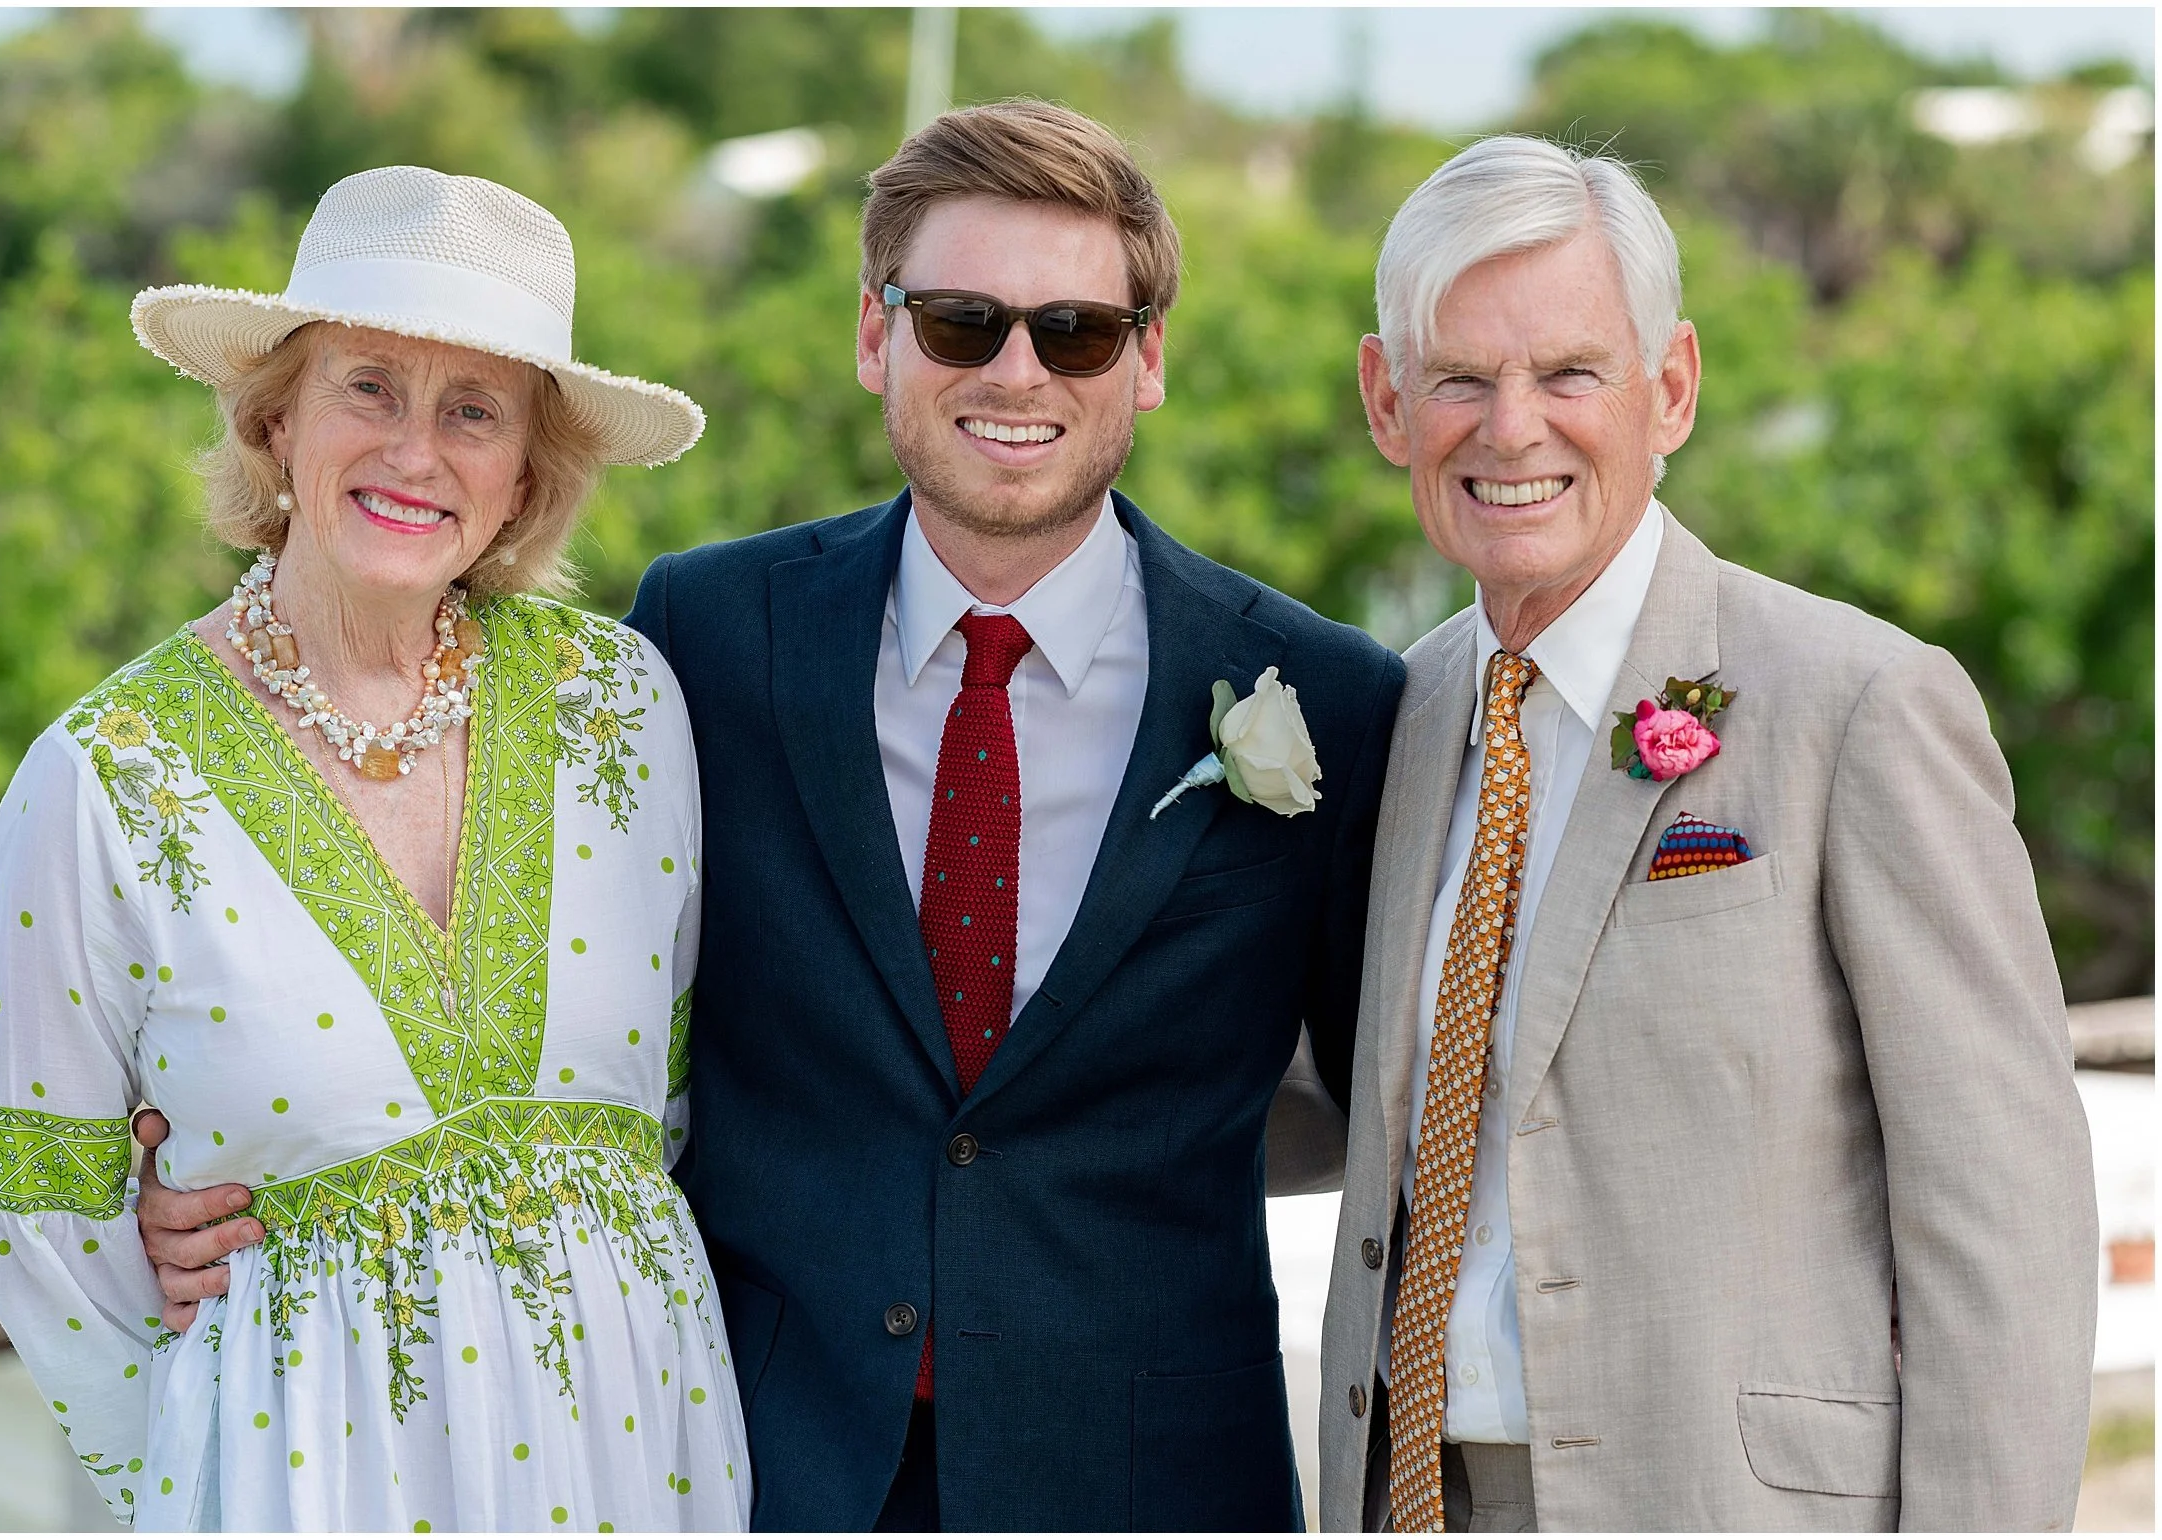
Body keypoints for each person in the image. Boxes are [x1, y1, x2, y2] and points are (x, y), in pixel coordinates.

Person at [143, 101, 1405, 1530]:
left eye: (1075, 331)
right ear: (877, 338)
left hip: (1157, 1483)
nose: (1015, 371)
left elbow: (1401, 1116)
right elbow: (465, 922)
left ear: (1147, 359)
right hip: (757, 1468)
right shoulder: (698, 636)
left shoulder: (1334, 700)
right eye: (959, 320)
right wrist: (184, 1163)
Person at [1310, 135, 2099, 1531]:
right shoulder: (1404, 713)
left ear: (1669, 387)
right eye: (1460, 379)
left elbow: (2004, 1229)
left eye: (1569, 373)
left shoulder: (1857, 705)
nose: (1511, 429)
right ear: (1388, 402)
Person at [0, 165, 751, 1531]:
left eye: (474, 411)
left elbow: (670, 1111)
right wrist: (211, 1477)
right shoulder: (101, 779)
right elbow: (40, 1222)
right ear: (276, 418)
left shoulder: (624, 705)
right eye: (368, 386)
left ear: (526, 473)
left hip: (641, 1464)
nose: (415, 452)